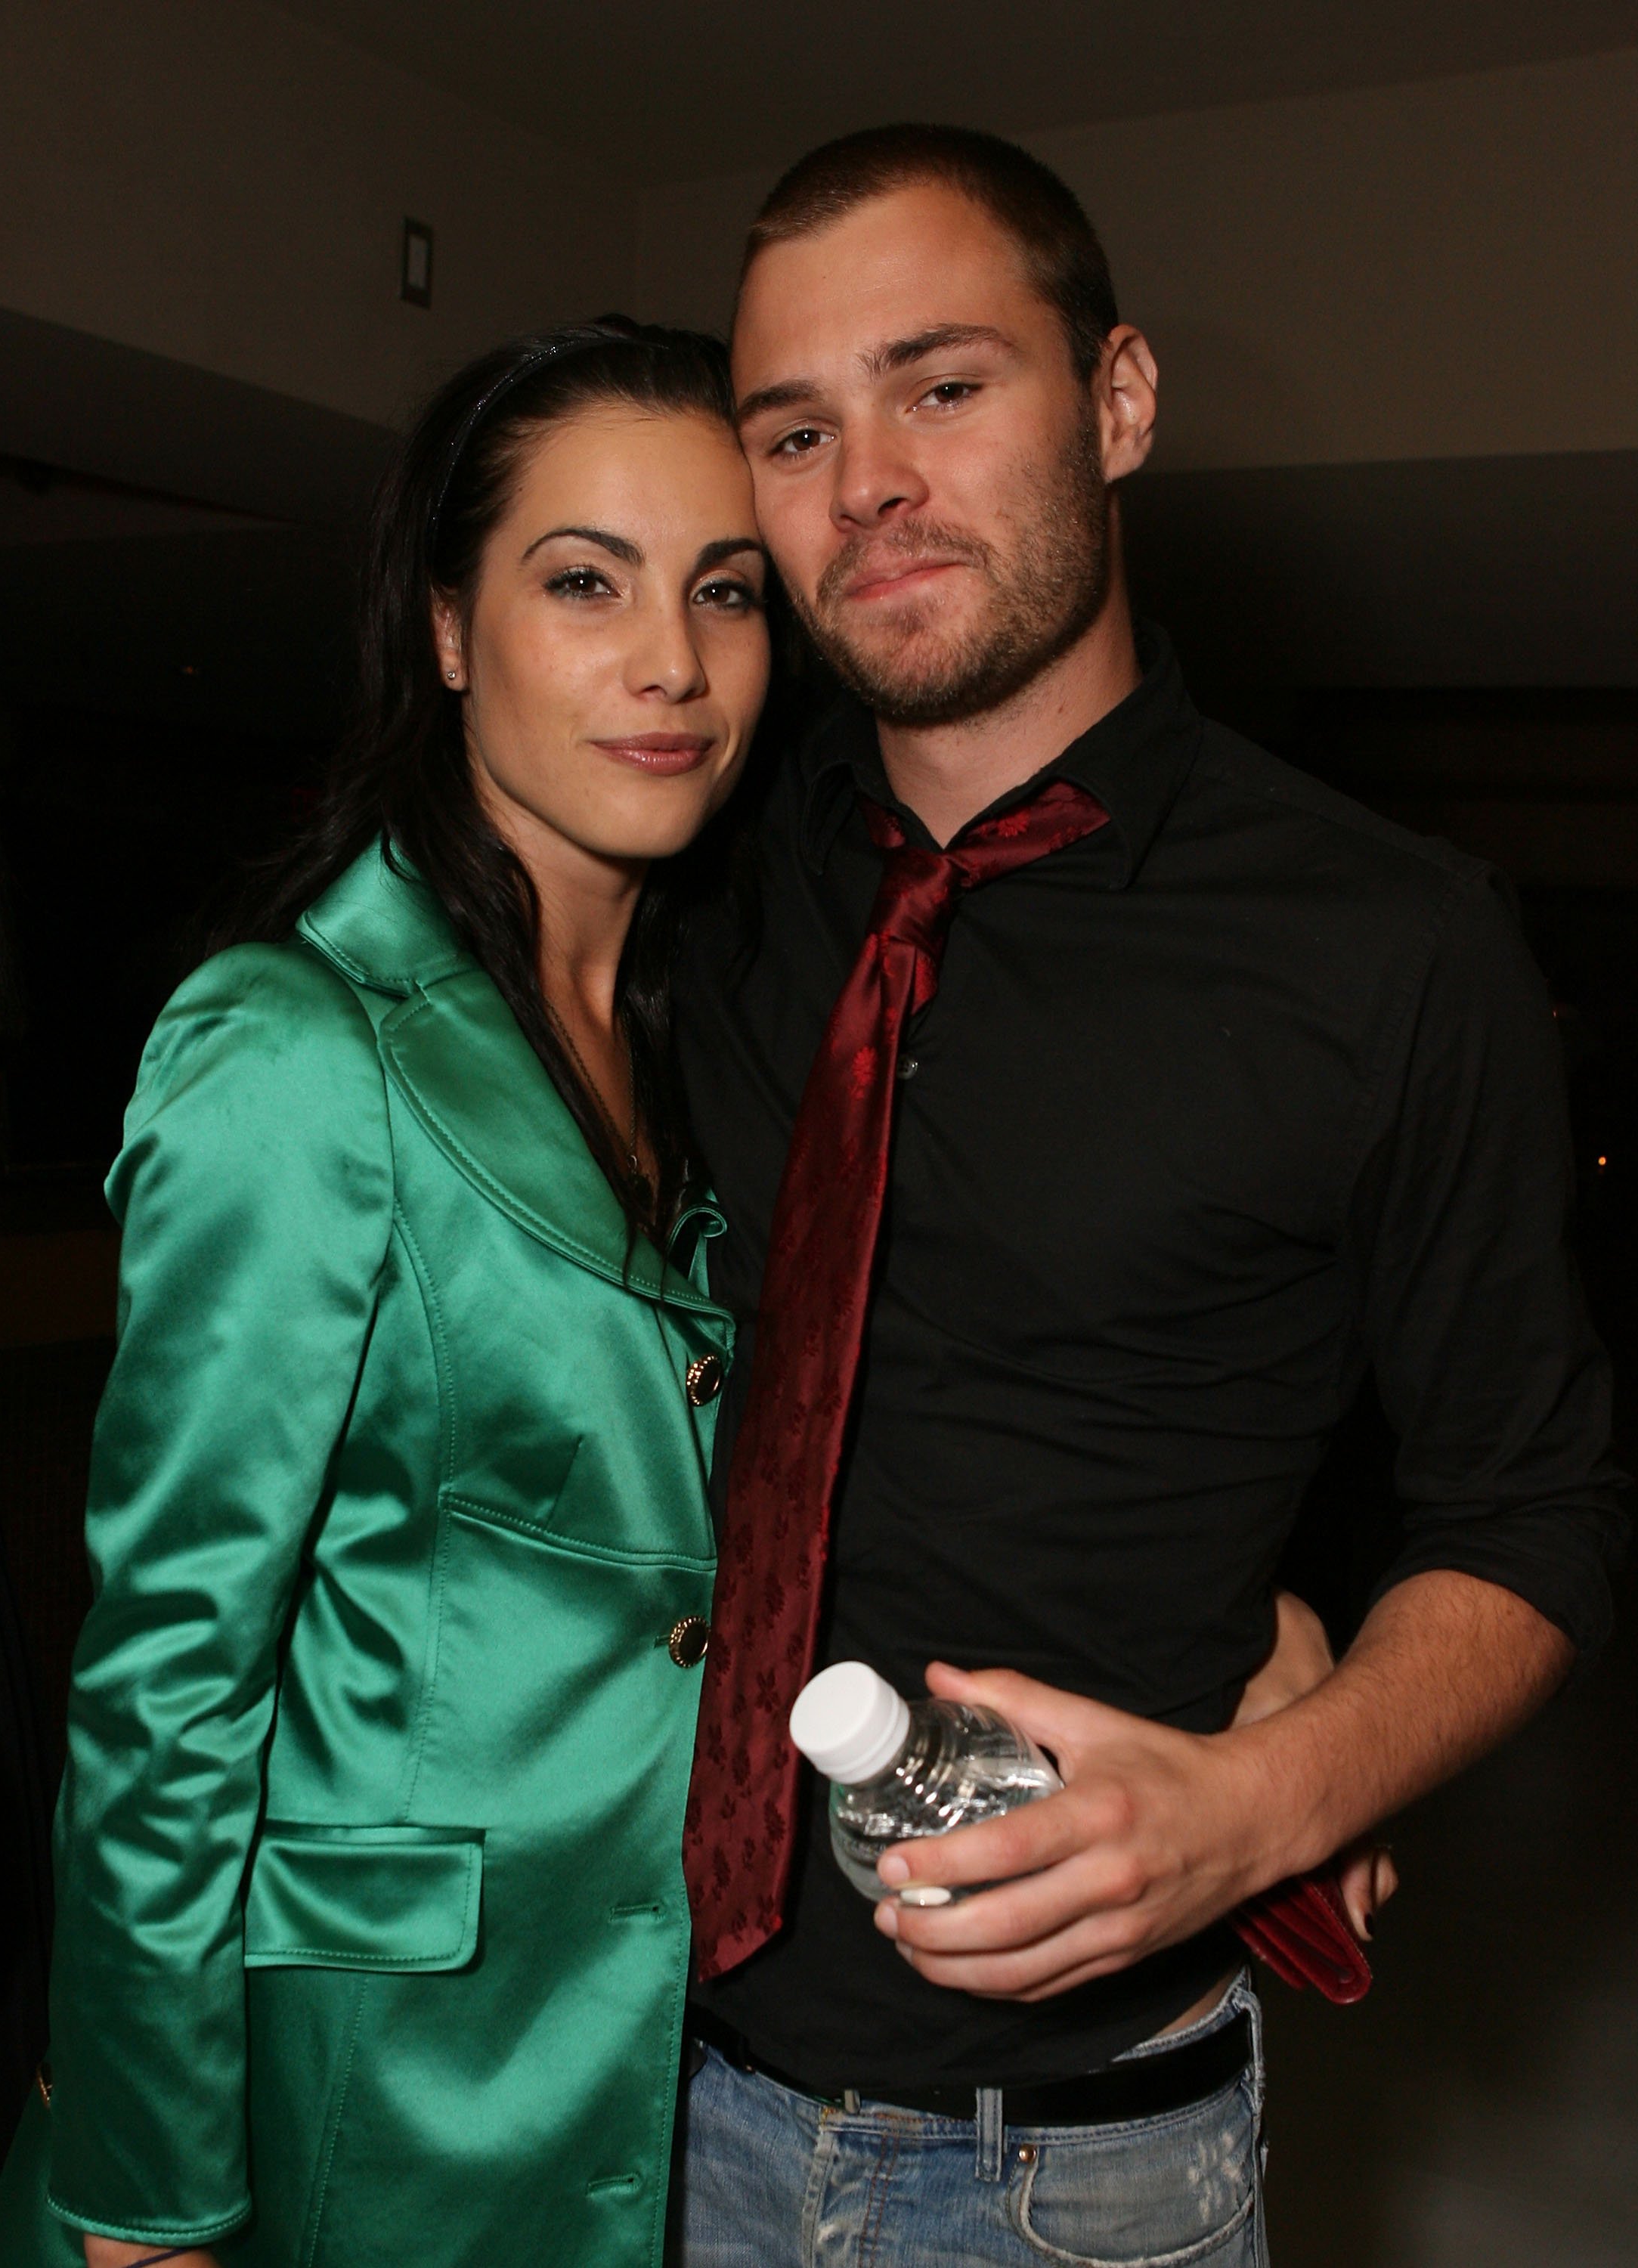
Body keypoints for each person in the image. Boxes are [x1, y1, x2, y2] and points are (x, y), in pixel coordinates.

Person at [669, 126, 1627, 2264]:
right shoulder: (701, 878)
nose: (868, 484)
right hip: (606, 2075)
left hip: (1063, 2165)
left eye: (942, 385)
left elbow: (1529, 1506)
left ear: (1115, 402)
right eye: (794, 427)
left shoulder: (1386, 942)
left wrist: (1272, 1798)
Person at [0, 320, 769, 2268]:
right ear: (443, 629)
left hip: (642, 2076)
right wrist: (150, 2196)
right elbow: (165, 1674)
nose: (670, 660)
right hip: (343, 2090)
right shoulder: (296, 1048)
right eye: (584, 581)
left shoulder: (713, 1046)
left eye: (725, 589)